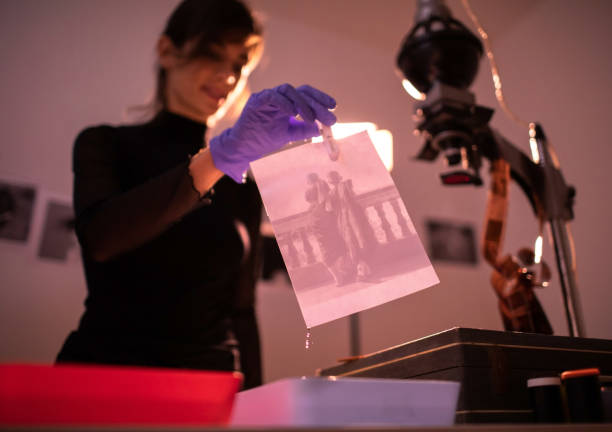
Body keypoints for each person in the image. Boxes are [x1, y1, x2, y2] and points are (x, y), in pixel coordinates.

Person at [56, 0, 336, 390]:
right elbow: (103, 239)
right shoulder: (105, 144)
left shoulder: (243, 189)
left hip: (207, 388)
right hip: (106, 378)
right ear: (166, 51)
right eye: (212, 53)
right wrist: (221, 156)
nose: (227, 75)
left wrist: (254, 403)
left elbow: (240, 312)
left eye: (239, 63)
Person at [326, 170, 377, 283]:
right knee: (360, 241)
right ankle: (364, 271)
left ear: (330, 181)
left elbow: (329, 209)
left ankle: (363, 271)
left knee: (353, 244)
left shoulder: (332, 193)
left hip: (346, 220)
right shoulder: (345, 186)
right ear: (338, 178)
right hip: (354, 218)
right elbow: (354, 199)